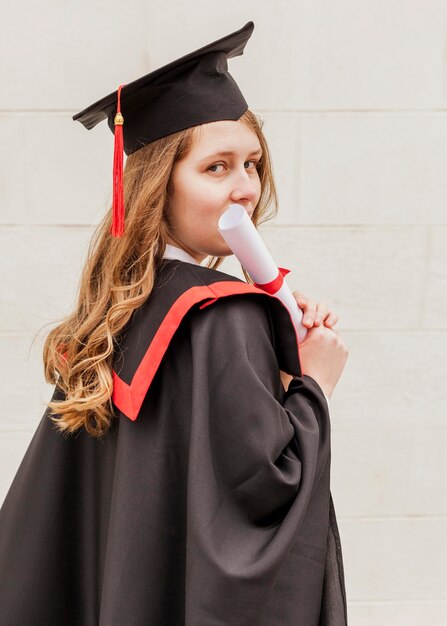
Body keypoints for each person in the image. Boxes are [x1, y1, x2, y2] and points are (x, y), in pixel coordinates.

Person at [0, 21, 349, 626]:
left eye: (252, 164)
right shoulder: (227, 313)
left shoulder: (117, 310)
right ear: (158, 185)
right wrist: (314, 385)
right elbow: (264, 497)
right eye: (216, 168)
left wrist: (283, 355)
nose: (245, 189)